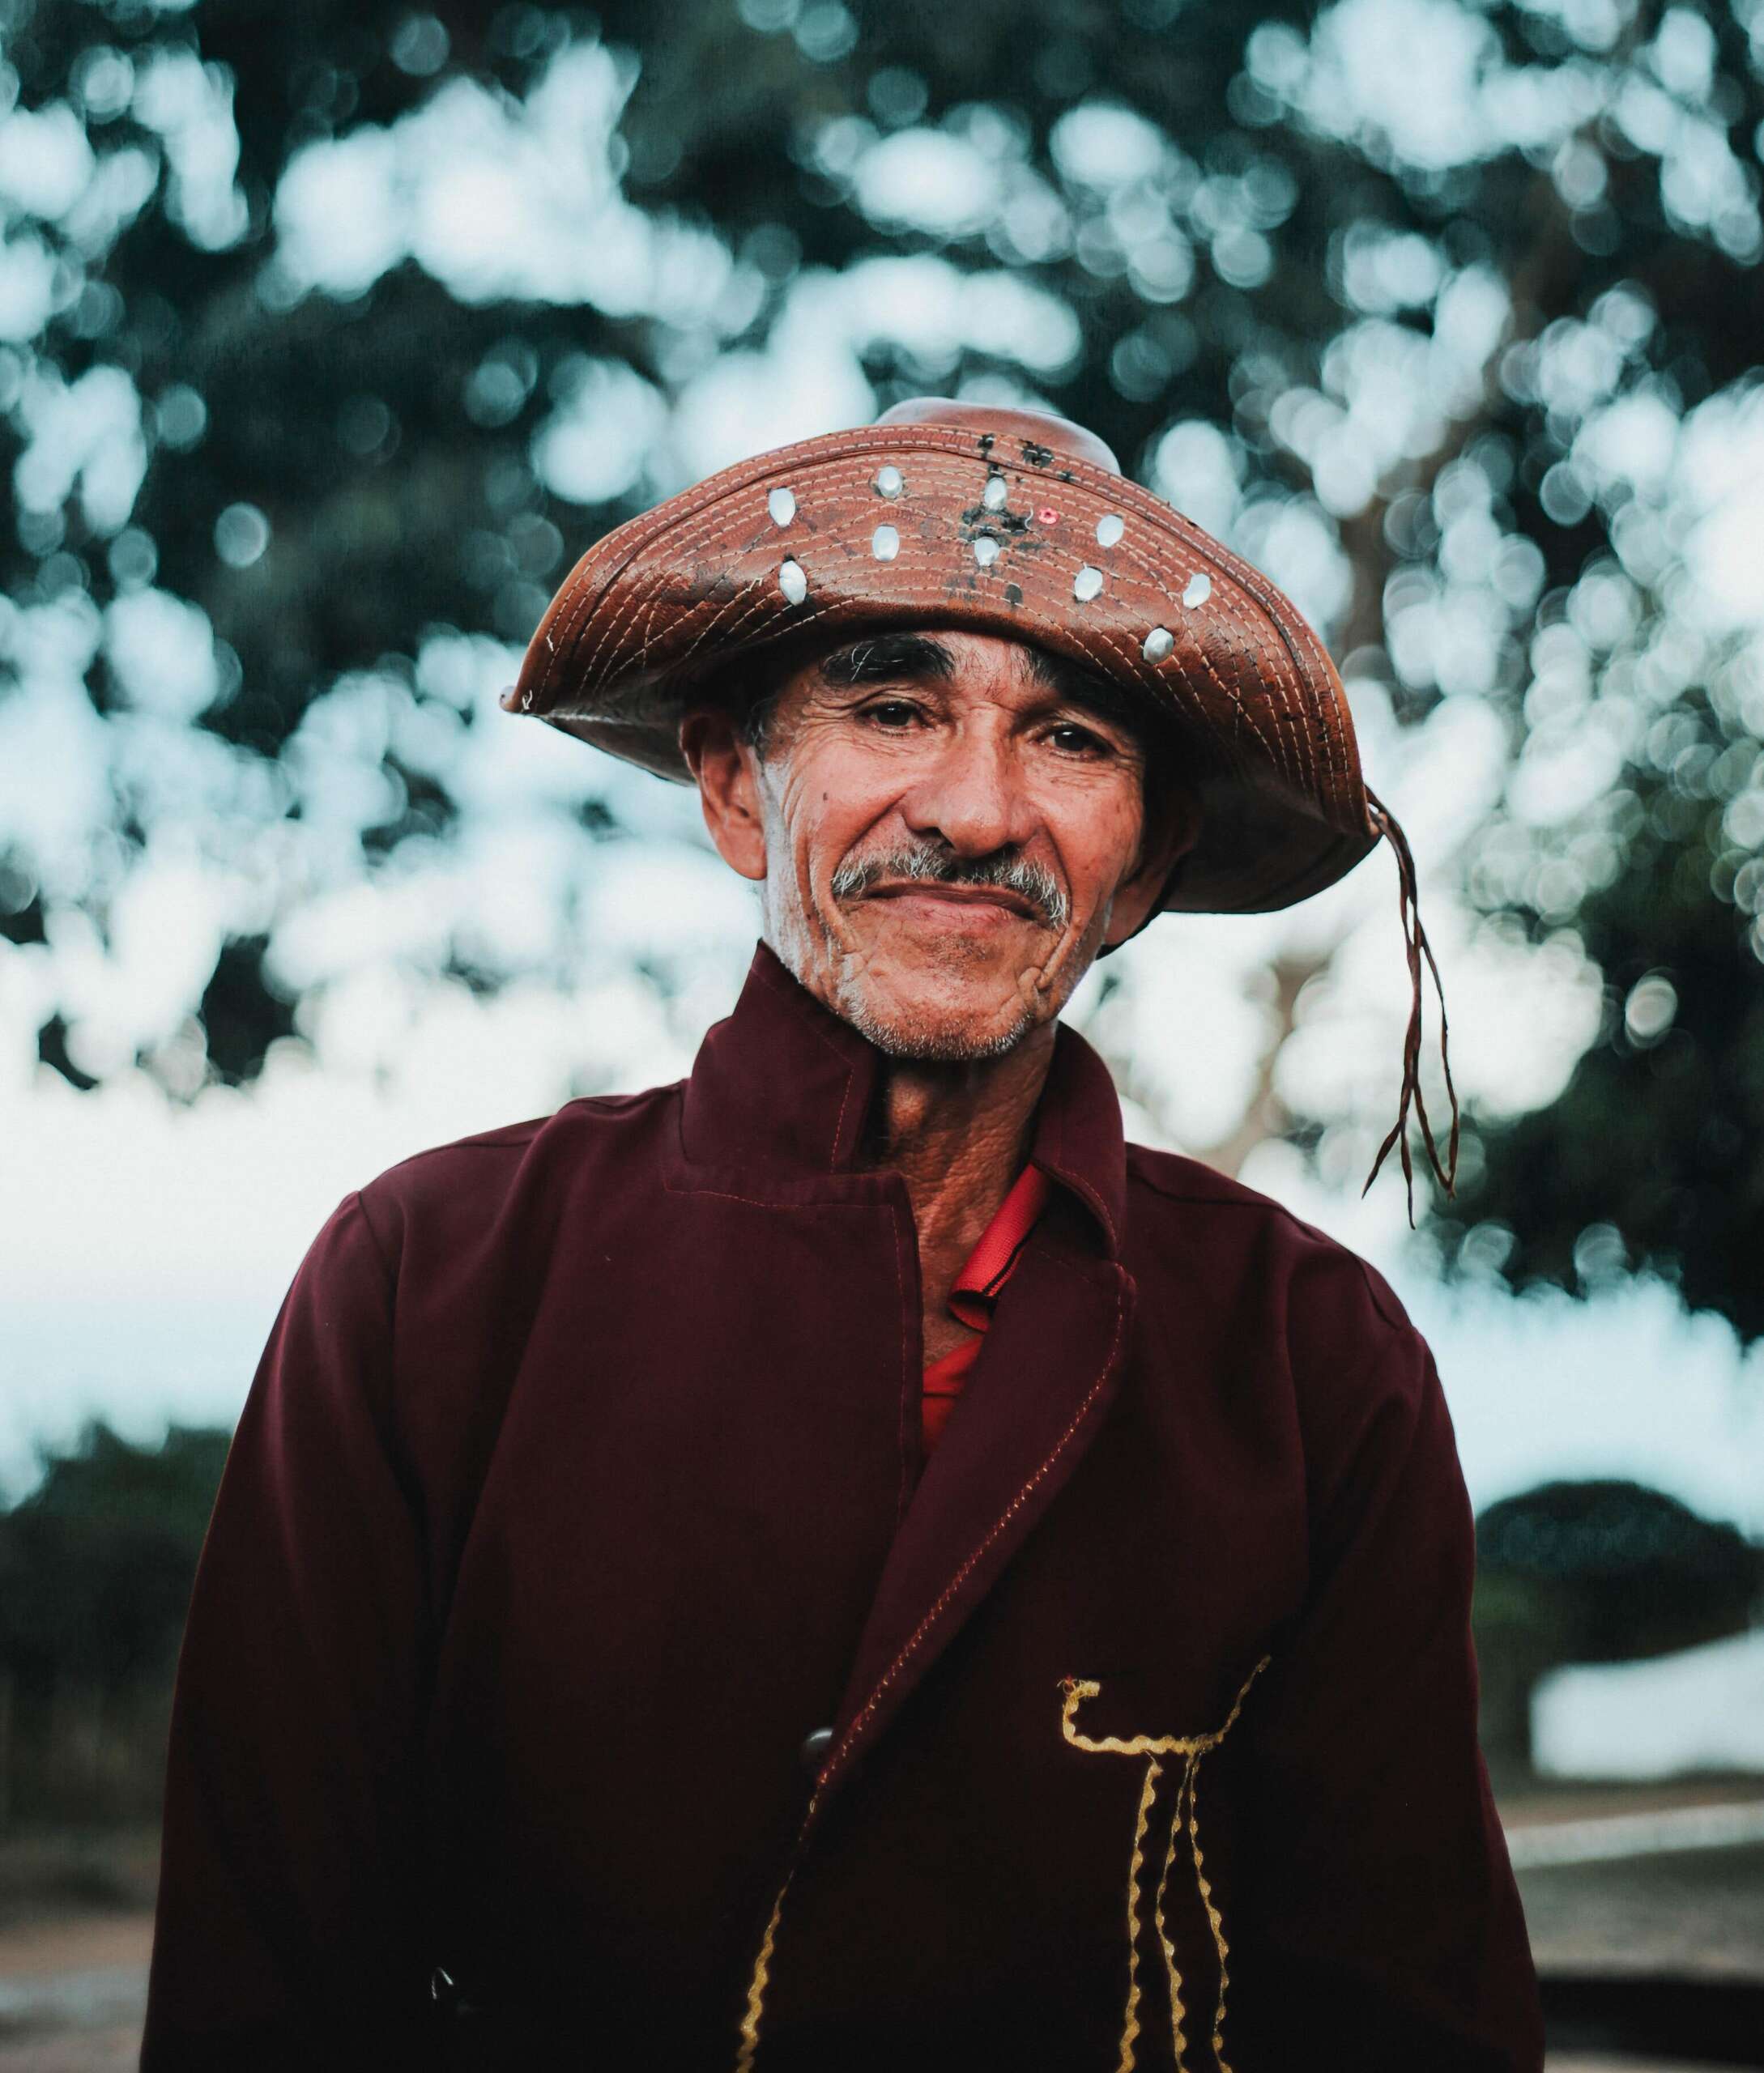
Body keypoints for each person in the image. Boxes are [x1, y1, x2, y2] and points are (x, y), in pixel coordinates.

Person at [142, 399, 1543, 2071]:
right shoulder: (428, 1280)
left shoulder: (1310, 1355)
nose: (973, 807)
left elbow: (1410, 2018)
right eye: (893, 707)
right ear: (736, 784)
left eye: (1076, 740)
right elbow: (264, 1989)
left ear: (1147, 859)